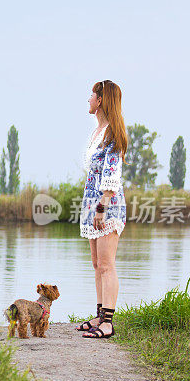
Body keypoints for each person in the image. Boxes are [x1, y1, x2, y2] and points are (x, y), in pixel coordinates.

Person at [76, 80, 127, 339]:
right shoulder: (98, 132)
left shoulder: (112, 134)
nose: (89, 99)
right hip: (92, 203)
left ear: (101, 100)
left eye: (92, 95)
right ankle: (99, 314)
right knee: (96, 264)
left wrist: (101, 207)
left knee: (107, 264)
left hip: (106, 205)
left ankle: (107, 323)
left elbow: (111, 173)